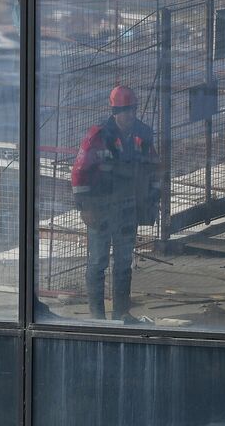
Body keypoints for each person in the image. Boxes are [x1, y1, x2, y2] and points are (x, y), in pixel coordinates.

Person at [70, 85, 160, 322]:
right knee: (98, 260)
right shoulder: (98, 136)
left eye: (132, 110)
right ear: (115, 111)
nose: (129, 115)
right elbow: (79, 173)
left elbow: (153, 169)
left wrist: (151, 201)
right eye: (124, 111)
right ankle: (97, 315)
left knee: (123, 261)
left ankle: (121, 312)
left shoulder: (142, 135)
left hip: (127, 207)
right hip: (100, 209)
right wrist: (85, 207)